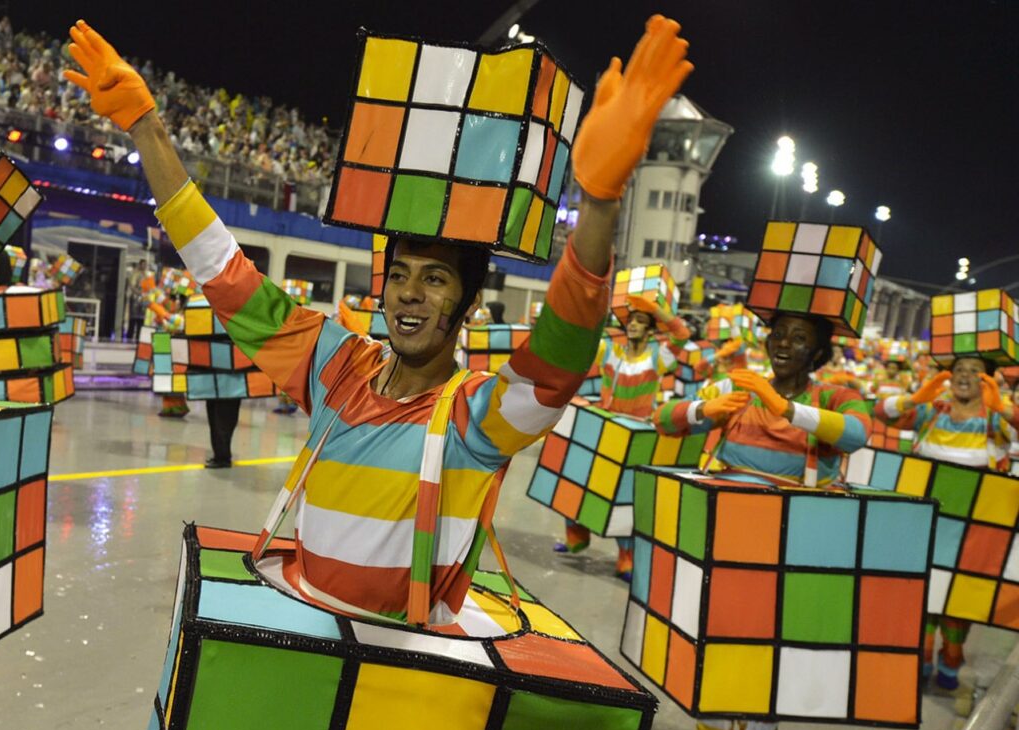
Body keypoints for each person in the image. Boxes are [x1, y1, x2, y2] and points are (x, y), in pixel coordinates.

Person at [66, 15, 694, 623]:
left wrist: (600, 204)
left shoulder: (477, 421)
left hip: (402, 680)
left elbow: (558, 357)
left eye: (436, 278)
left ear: (468, 305)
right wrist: (148, 128)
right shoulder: (336, 368)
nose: (409, 294)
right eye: (399, 275)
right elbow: (226, 276)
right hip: (307, 651)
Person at [653, 311, 871, 730]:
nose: (784, 344)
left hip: (791, 554)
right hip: (721, 547)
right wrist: (701, 412)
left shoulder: (833, 397)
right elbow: (661, 420)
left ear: (818, 353)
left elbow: (858, 433)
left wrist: (785, 409)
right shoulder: (739, 385)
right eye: (779, 333)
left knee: (770, 662)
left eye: (800, 338)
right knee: (714, 654)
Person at [877, 356, 1019, 692]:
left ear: (988, 380)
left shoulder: (996, 419)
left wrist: (1002, 406)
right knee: (924, 592)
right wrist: (915, 397)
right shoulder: (931, 412)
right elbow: (880, 414)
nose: (965, 377)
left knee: (960, 599)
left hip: (974, 529)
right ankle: (922, 658)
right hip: (926, 522)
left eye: (975, 372)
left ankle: (951, 657)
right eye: (959, 371)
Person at [554, 292, 690, 577]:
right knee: (582, 479)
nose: (633, 325)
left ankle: (626, 557)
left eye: (641, 321)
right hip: (606, 427)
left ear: (650, 330)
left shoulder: (659, 356)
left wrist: (656, 309)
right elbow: (585, 340)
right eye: (632, 321)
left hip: (637, 433)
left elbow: (681, 333)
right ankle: (576, 537)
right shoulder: (610, 351)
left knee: (626, 495)